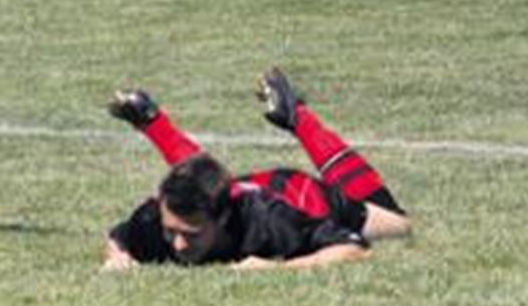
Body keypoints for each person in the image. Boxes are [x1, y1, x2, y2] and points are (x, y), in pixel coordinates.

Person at [103, 68, 411, 271]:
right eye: (172, 232)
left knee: (399, 225)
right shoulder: (154, 220)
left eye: (191, 235)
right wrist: (118, 257)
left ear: (223, 219)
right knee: (200, 181)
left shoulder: (275, 222)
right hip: (237, 191)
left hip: (296, 193)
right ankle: (153, 122)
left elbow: (355, 248)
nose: (178, 245)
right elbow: (119, 236)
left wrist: (277, 268)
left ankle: (298, 117)